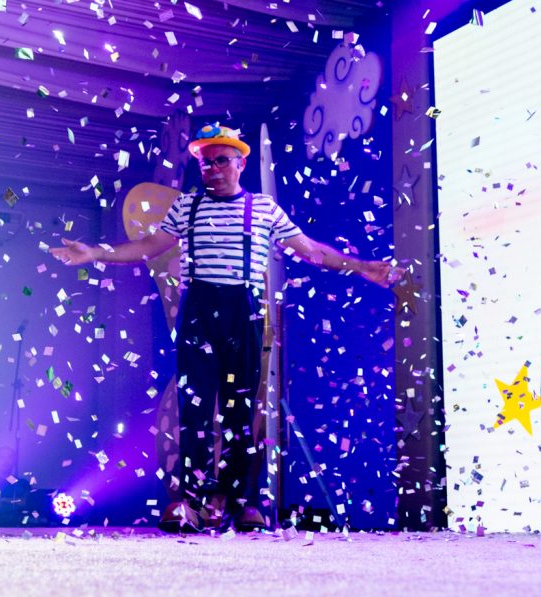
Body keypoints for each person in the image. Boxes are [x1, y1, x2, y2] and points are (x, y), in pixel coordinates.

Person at [51, 123, 401, 533]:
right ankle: (189, 500)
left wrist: (361, 267)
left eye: (220, 161)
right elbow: (148, 246)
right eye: (205, 163)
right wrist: (95, 252)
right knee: (194, 408)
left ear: (240, 163)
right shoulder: (187, 207)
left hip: (243, 309)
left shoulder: (264, 209)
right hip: (199, 308)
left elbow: (311, 251)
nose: (212, 169)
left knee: (241, 409)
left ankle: (241, 501)